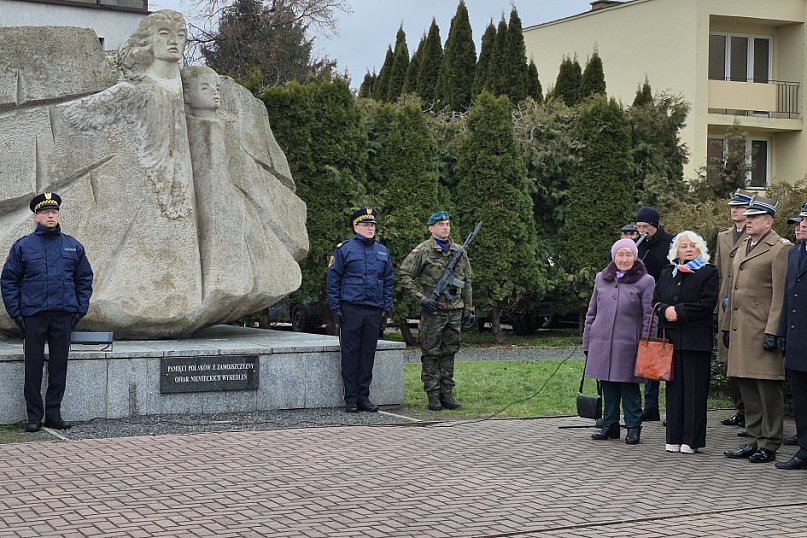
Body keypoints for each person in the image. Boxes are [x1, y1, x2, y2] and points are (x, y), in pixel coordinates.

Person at [1, 193, 94, 432]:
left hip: (63, 316)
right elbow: (9, 281)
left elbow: (84, 279)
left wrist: (79, 309)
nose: (50, 215)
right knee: (32, 367)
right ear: (36, 216)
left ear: (59, 215)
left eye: (54, 212)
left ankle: (53, 414)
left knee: (58, 366)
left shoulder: (73, 246)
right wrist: (16, 313)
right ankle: (34, 417)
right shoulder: (23, 245)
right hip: (33, 316)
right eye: (45, 212)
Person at [722, 195, 790, 464]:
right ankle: (753, 438)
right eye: (747, 217)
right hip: (741, 329)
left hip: (761, 328)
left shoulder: (780, 248)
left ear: (769, 221)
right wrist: (727, 325)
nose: (748, 221)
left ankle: (770, 441)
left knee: (767, 387)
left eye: (754, 217)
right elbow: (732, 289)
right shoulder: (743, 246)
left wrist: (773, 330)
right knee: (747, 385)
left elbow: (780, 294)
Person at [399, 211, 474, 411]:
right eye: (440, 224)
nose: (445, 227)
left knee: (449, 352)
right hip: (434, 311)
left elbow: (466, 282)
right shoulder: (423, 251)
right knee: (431, 353)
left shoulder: (459, 251)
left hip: (455, 310)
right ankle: (433, 395)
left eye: (448, 224)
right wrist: (422, 299)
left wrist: (469, 308)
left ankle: (446, 393)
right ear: (431, 228)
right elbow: (405, 276)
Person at [583, 238, 655, 445]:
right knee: (607, 385)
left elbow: (650, 316)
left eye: (628, 255)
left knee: (628, 386)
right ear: (613, 257)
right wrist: (587, 341)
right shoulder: (601, 278)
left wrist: (646, 344)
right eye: (620, 255)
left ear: (635, 256)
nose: (624, 259)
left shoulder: (645, 281)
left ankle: (633, 426)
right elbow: (592, 312)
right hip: (602, 342)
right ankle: (610, 424)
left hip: (629, 344)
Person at [653, 231, 719, 454]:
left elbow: (707, 303)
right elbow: (656, 301)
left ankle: (691, 440)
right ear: (676, 251)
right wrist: (665, 310)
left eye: (693, 245)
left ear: (700, 249)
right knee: (675, 390)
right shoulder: (667, 272)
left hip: (696, 340)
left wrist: (679, 312)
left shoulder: (708, 272)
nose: (689, 249)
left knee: (694, 391)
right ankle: (673, 437)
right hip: (671, 340)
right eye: (684, 246)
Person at [326, 208, 394, 413]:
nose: (370, 228)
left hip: (373, 310)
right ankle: (351, 399)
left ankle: (364, 397)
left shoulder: (382, 251)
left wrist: (386, 306)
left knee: (367, 355)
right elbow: (333, 279)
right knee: (350, 354)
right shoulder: (344, 250)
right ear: (356, 227)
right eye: (366, 225)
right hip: (351, 309)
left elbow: (389, 280)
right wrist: (336, 307)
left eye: (373, 225)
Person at [714, 189, 752, 429]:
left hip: (745, 307)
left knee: (746, 362)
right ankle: (740, 409)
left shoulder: (753, 236)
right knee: (728, 362)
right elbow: (719, 271)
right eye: (732, 207)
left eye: (739, 206)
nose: (734, 210)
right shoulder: (723, 236)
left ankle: (751, 413)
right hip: (726, 302)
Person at [634, 206, 674, 422]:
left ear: (655, 226)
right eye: (638, 226)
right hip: (643, 305)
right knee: (649, 350)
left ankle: (671, 407)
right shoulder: (638, 246)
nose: (642, 231)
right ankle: (650, 407)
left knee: (664, 352)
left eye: (645, 227)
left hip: (663, 302)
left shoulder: (669, 243)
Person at [775, 203, 807, 469]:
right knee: (801, 399)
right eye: (800, 221)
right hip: (798, 339)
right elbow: (789, 296)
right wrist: (783, 331)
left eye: (806, 220)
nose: (801, 225)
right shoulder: (796, 253)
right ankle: (804, 451)